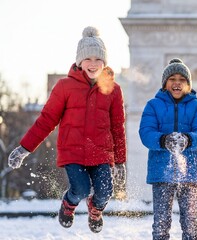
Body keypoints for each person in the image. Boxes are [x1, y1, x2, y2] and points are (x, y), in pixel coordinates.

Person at [7, 26, 127, 233]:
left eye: (98, 59)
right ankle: (68, 205)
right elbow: (46, 120)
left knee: (105, 192)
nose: (93, 64)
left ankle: (96, 209)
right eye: (88, 59)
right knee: (80, 189)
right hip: (73, 151)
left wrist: (120, 162)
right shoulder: (64, 86)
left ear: (104, 62)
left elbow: (118, 127)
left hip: (101, 153)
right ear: (80, 62)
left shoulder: (114, 90)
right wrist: (24, 149)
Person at [138, 58, 197, 240]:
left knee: (190, 222)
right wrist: (163, 140)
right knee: (161, 222)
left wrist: (188, 139)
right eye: (172, 79)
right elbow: (146, 133)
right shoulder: (153, 105)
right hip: (161, 172)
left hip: (189, 173)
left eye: (182, 79)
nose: (177, 83)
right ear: (165, 84)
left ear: (188, 84)